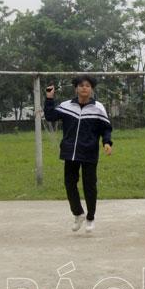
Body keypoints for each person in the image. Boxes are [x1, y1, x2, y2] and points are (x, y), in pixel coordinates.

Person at [44, 75, 113, 233]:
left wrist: (107, 143)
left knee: (89, 186)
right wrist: (49, 98)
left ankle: (90, 217)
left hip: (89, 153)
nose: (84, 88)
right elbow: (50, 116)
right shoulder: (66, 106)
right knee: (69, 184)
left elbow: (106, 128)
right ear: (76, 88)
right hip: (70, 152)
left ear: (91, 89)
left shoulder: (98, 108)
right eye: (81, 85)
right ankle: (78, 214)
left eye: (87, 85)